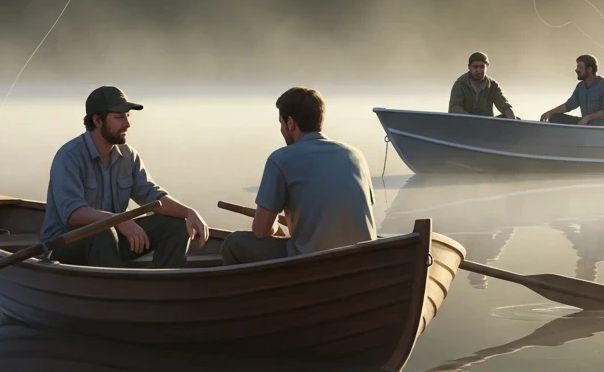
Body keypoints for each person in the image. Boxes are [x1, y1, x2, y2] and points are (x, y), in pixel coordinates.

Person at [41, 84, 208, 268]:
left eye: (127, 116)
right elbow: (73, 214)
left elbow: (153, 196)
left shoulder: (128, 156)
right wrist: (119, 220)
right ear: (97, 121)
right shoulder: (69, 156)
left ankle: (164, 287)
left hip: (112, 237)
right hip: (64, 244)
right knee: (102, 233)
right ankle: (115, 291)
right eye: (119, 117)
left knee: (176, 224)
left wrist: (189, 212)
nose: (127, 124)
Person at [220, 86, 376, 266]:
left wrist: (275, 227)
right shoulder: (356, 156)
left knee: (233, 244)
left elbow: (260, 230)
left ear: (291, 123)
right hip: (363, 262)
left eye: (281, 123)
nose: (281, 130)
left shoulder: (280, 159)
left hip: (312, 263)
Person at [540, 55, 604, 127]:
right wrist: (550, 113)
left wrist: (587, 118)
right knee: (555, 118)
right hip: (587, 124)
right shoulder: (581, 86)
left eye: (580, 67)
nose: (576, 70)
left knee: (590, 122)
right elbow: (569, 105)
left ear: (589, 69)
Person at [448, 52, 516, 118]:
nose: (478, 70)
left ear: (487, 67)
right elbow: (453, 108)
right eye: (475, 67)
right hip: (465, 123)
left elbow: (503, 105)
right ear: (469, 67)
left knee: (510, 117)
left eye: (482, 67)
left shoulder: (493, 85)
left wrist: (511, 115)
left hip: (486, 124)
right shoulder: (460, 84)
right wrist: (472, 119)